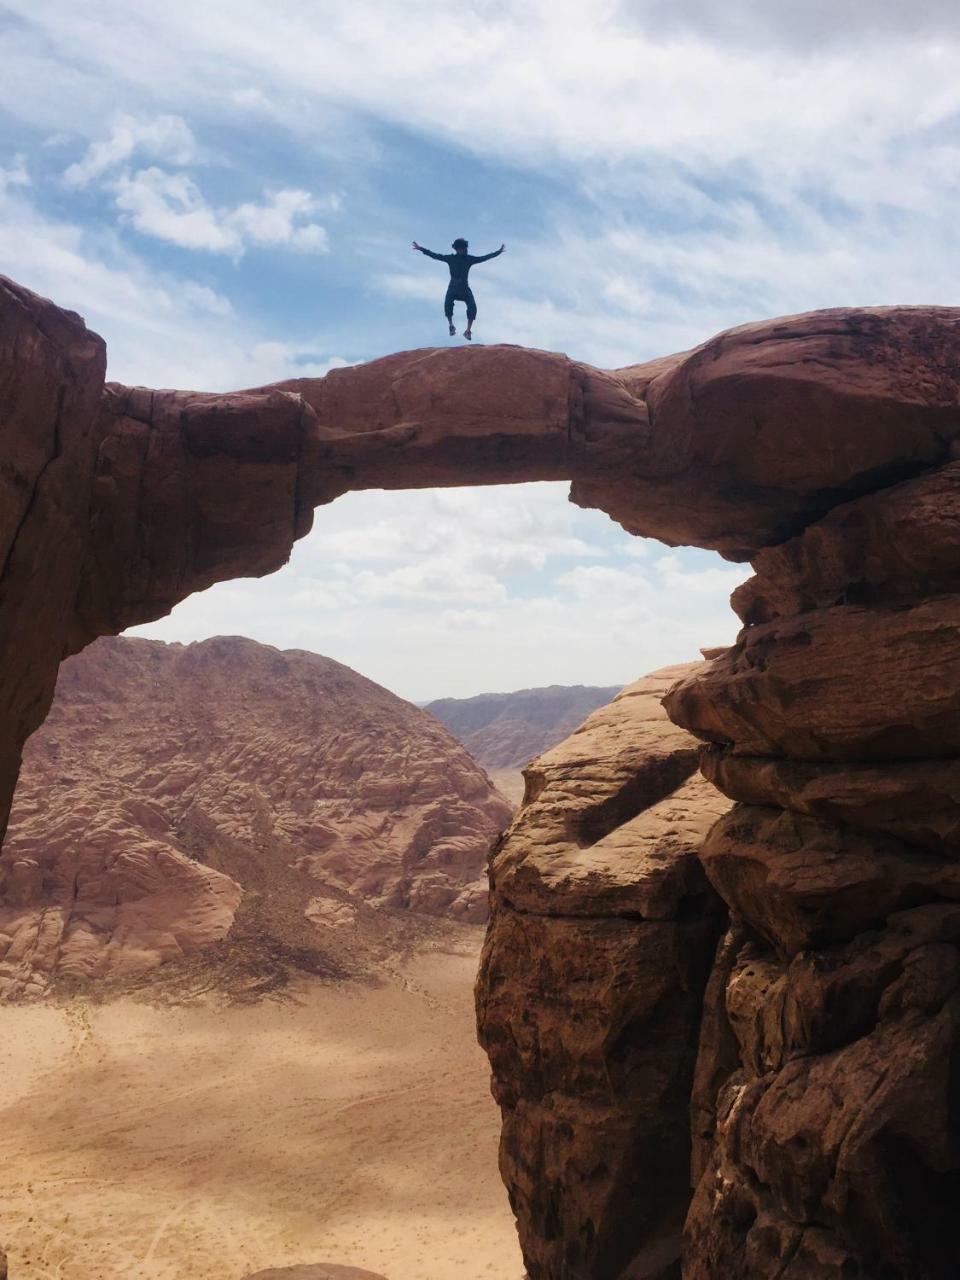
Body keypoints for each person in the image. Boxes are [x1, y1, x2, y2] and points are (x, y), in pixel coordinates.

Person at [412, 237, 505, 340]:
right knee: (448, 304)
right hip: (453, 288)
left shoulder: (469, 259)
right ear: (455, 249)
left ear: (465, 248)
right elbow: (435, 256)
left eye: (461, 248)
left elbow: (483, 258)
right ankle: (451, 325)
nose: (459, 250)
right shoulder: (451, 258)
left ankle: (468, 331)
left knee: (472, 307)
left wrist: (498, 252)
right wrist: (421, 249)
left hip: (464, 288)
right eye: (457, 249)